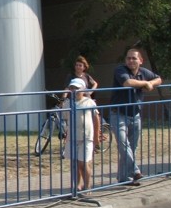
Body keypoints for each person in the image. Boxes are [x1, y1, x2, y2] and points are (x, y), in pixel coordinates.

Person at [109, 48, 163, 185]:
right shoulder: (120, 70)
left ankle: (124, 179)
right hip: (118, 113)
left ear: (140, 60)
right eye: (128, 58)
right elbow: (127, 83)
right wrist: (145, 83)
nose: (131, 61)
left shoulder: (143, 72)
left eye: (134, 58)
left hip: (135, 114)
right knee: (123, 144)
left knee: (131, 147)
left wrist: (151, 83)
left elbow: (159, 79)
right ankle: (135, 170)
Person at [65, 78, 100, 195]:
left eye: (77, 88)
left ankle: (87, 185)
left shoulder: (89, 102)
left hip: (86, 136)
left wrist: (96, 136)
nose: (74, 91)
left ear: (83, 89)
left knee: (84, 163)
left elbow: (96, 119)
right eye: (72, 88)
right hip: (73, 137)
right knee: (75, 163)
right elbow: (65, 119)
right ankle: (77, 185)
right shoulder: (67, 103)